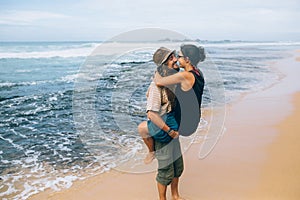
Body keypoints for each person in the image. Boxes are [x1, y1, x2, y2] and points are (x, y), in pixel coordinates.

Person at [137, 47, 184, 200]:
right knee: (165, 171)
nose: (175, 59)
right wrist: (169, 131)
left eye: (174, 56)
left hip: (173, 129)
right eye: (171, 58)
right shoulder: (156, 88)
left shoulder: (172, 78)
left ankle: (175, 195)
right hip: (164, 131)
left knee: (178, 167)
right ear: (163, 65)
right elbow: (151, 114)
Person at [154, 44, 205, 137]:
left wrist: (160, 66)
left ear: (187, 59)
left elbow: (158, 82)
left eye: (179, 56)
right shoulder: (198, 73)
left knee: (147, 125)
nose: (177, 59)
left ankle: (151, 151)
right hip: (193, 122)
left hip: (183, 125)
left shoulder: (185, 76)